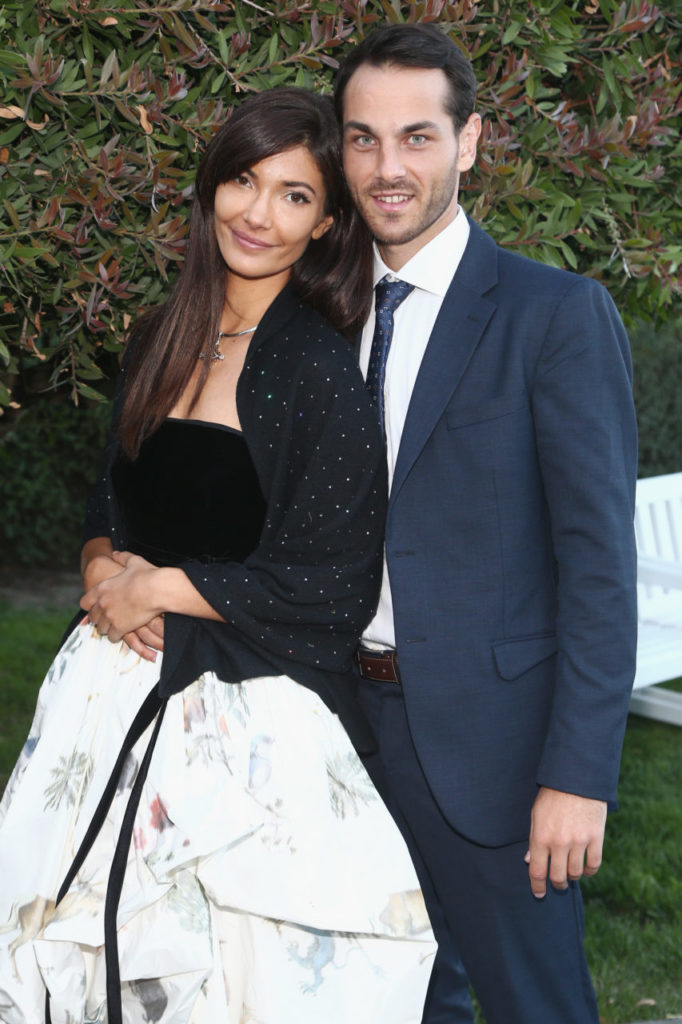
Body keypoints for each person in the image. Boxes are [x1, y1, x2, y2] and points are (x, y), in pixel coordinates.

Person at [0, 88, 437, 1024]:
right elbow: (110, 494)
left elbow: (333, 586)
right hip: (104, 688)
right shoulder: (162, 332)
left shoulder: (322, 375)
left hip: (242, 729)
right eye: (243, 180)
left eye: (292, 195)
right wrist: (98, 572)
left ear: (325, 225)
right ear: (211, 189)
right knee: (74, 971)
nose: (257, 213)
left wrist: (160, 585)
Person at [334, 23, 638, 1024]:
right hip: (338, 736)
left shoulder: (554, 315)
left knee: (532, 1005)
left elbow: (597, 567)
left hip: (498, 755)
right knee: (394, 1001)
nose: (388, 167)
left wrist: (576, 776)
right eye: (363, 138)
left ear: (469, 142)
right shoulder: (322, 315)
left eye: (417, 136)